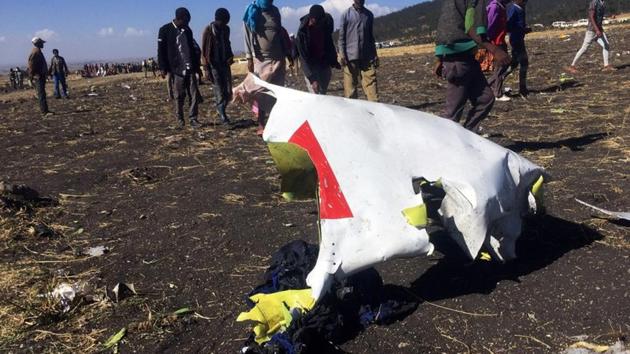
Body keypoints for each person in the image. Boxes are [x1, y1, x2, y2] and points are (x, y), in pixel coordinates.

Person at [433, 0, 510, 133]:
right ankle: (444, 144)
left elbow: (444, 28)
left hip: (465, 58)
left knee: (485, 99)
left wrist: (439, 57)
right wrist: (495, 50)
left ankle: (468, 135)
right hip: (458, 61)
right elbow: (470, 27)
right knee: (452, 113)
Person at [243, 0, 289, 135]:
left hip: (278, 58)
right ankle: (261, 123)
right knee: (261, 91)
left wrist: (286, 52)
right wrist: (249, 57)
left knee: (277, 91)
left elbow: (279, 32)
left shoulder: (275, 11)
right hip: (261, 59)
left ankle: (275, 122)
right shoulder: (252, 11)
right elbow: (247, 35)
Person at [158, 7, 203, 129]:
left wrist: (198, 67)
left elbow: (193, 50)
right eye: (186, 20)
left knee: (193, 94)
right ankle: (180, 119)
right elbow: (161, 51)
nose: (188, 23)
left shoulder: (187, 30)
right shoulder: (165, 30)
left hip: (190, 68)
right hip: (176, 69)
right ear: (179, 18)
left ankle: (193, 118)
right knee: (179, 96)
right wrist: (163, 67)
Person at [338, 0, 379, 102]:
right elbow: (341, 38)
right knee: (350, 91)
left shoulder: (369, 15)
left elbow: (370, 37)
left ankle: (375, 111)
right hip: (350, 57)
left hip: (367, 57)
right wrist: (342, 55)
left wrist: (375, 54)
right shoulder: (345, 15)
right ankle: (353, 115)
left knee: (371, 86)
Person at [296, 5, 341, 95]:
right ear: (311, 19)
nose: (320, 23)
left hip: (323, 64)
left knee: (322, 93)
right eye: (317, 21)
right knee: (315, 95)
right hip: (311, 66)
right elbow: (303, 59)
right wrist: (312, 79)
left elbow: (329, 44)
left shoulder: (325, 24)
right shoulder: (302, 34)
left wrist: (334, 61)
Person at [202, 7, 235, 124]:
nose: (226, 23)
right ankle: (222, 115)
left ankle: (221, 109)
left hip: (225, 64)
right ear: (218, 20)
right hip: (214, 65)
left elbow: (228, 43)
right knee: (219, 89)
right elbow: (204, 50)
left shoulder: (226, 29)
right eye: (224, 21)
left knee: (228, 90)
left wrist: (231, 56)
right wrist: (206, 69)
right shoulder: (208, 30)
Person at [567, 0, 614, 73]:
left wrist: (609, 17)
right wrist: (596, 30)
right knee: (584, 48)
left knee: (606, 45)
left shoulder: (602, 3)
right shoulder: (594, 2)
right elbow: (591, 17)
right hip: (591, 30)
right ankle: (572, 66)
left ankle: (606, 66)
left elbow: (599, 16)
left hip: (599, 29)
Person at [486, 0, 511, 101]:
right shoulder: (495, 7)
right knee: (500, 68)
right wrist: (489, 41)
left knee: (502, 67)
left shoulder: (501, 6)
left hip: (500, 40)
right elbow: (491, 25)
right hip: (496, 42)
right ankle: (497, 93)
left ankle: (489, 87)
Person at [505, 0, 531, 97]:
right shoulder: (514, 9)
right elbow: (509, 25)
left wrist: (524, 29)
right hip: (516, 40)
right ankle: (522, 88)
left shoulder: (520, 9)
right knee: (524, 63)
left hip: (518, 39)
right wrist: (522, 30)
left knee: (514, 64)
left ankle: (498, 80)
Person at [28, 37, 53, 117]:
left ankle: (45, 110)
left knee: (42, 93)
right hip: (38, 76)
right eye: (41, 42)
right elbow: (31, 65)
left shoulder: (37, 51)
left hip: (40, 76)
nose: (43, 44)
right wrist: (31, 77)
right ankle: (44, 112)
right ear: (38, 43)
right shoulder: (36, 52)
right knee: (41, 94)